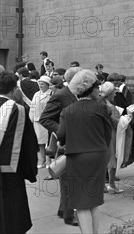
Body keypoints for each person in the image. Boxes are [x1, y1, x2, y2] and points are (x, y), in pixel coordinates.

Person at [56, 69, 112, 234]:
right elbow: (107, 135)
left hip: (77, 157)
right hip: (99, 155)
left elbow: (61, 137)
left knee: (81, 202)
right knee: (94, 200)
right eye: (97, 87)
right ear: (92, 89)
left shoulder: (68, 110)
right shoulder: (101, 108)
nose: (99, 90)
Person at [39, 66, 82, 227]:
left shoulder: (77, 95)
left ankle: (64, 210)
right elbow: (45, 118)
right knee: (68, 180)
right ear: (74, 79)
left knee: (69, 180)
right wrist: (62, 132)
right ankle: (69, 215)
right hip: (65, 144)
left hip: (78, 144)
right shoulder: (61, 95)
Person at [0, 72, 38, 234]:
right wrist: (30, 170)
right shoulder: (17, 110)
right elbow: (28, 145)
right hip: (9, 170)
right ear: (14, 89)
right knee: (11, 213)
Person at [99, 82, 124, 194]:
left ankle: (103, 185)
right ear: (109, 94)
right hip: (111, 134)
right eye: (114, 92)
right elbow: (116, 123)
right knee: (112, 160)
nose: (115, 94)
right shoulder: (110, 107)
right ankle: (112, 185)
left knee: (104, 160)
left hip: (102, 134)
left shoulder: (100, 103)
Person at [29, 75, 52, 168]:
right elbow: (32, 107)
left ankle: (48, 161)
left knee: (48, 143)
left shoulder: (51, 94)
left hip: (47, 121)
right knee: (39, 143)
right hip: (37, 121)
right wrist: (31, 118)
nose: (40, 86)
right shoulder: (36, 94)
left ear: (47, 85)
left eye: (42, 84)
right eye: (39, 84)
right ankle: (41, 161)